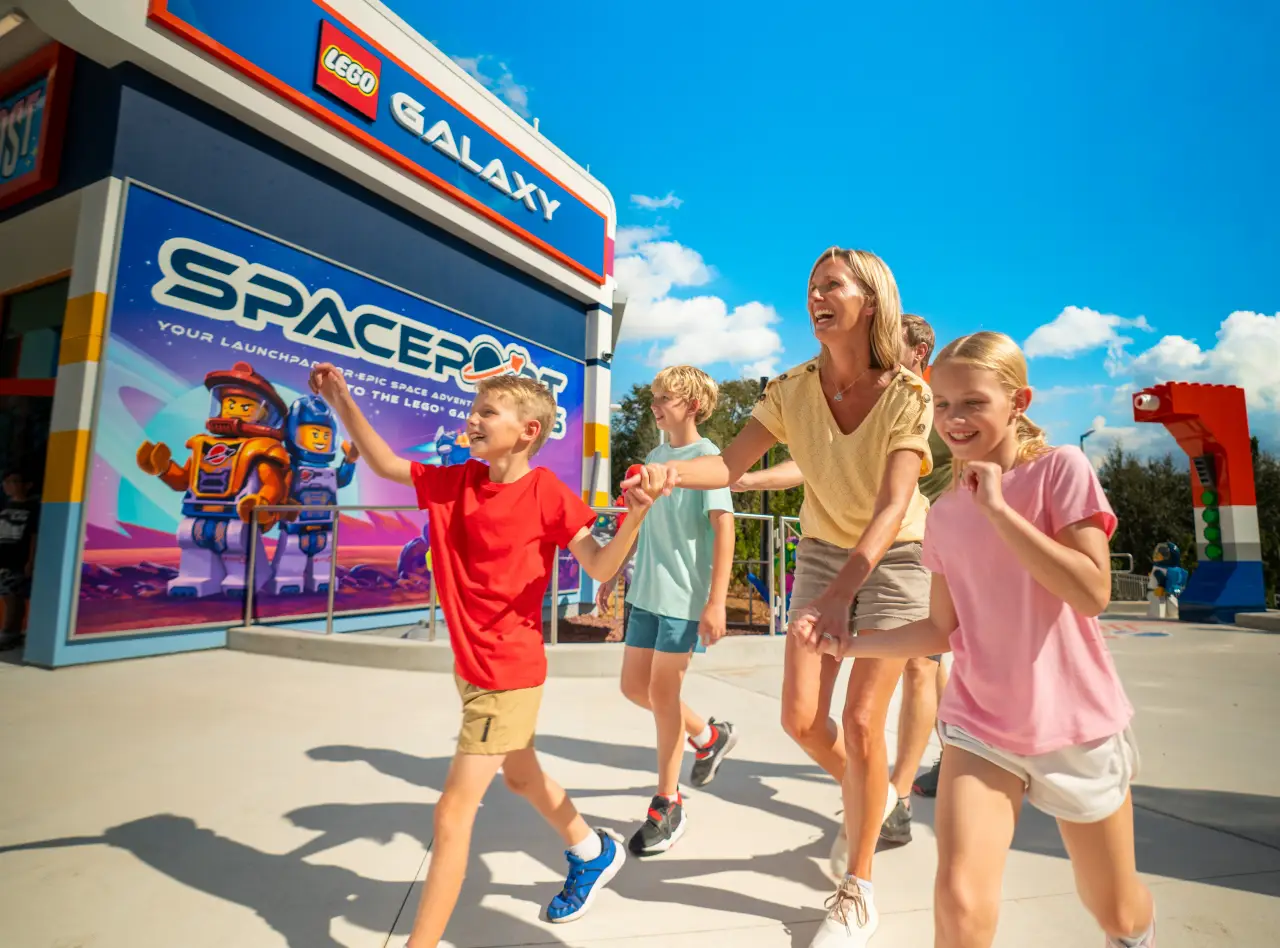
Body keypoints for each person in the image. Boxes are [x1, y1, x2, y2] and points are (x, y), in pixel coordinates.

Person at [806, 331, 1155, 948]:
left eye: (972, 403)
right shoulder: (944, 513)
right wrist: (848, 644)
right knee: (960, 901)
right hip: (978, 725)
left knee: (1115, 909)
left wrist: (999, 509)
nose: (953, 419)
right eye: (942, 404)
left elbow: (1092, 592)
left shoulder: (1060, 472)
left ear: (1018, 401)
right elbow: (941, 630)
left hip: (1073, 724)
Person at [629, 247, 934, 947]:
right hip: (826, 552)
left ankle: (856, 890)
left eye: (832, 285)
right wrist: (672, 479)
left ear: (871, 299)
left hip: (894, 558)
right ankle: (876, 794)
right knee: (801, 720)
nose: (816, 297)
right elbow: (729, 465)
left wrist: (839, 599)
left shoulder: (908, 394)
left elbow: (893, 508)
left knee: (861, 723)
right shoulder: (792, 389)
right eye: (810, 288)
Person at [309, 363, 657, 948]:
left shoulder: (547, 492)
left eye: (487, 412)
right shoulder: (457, 481)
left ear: (527, 430)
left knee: (450, 815)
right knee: (521, 777)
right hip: (472, 669)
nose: (473, 418)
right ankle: (592, 851)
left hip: (507, 672)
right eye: (474, 410)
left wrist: (638, 515)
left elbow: (599, 565)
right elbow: (388, 465)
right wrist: (343, 399)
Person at [732, 313, 951, 851]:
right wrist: (749, 476)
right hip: (842, 548)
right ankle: (875, 789)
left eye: (886, 346)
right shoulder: (851, 394)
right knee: (814, 715)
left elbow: (960, 476)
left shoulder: (935, 409)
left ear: (918, 353)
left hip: (923, 544)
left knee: (920, 668)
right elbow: (816, 464)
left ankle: (897, 790)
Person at [595, 366, 739, 856]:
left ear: (693, 405)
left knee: (661, 690)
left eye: (665, 397)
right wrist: (613, 573)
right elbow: (639, 522)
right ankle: (708, 734)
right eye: (653, 395)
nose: (654, 404)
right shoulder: (654, 458)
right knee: (635, 687)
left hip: (684, 599)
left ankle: (667, 801)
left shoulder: (709, 460)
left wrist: (717, 601)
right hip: (646, 594)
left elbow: (724, 530)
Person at [0, 470, 38, 651]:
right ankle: (13, 632)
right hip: (4, 557)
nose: (8, 485)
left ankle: (10, 633)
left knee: (14, 595)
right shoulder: (4, 505)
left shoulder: (33, 507)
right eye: (6, 482)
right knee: (7, 595)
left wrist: (30, 560)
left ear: (27, 485)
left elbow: (34, 535)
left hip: (19, 558)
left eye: (14, 481)